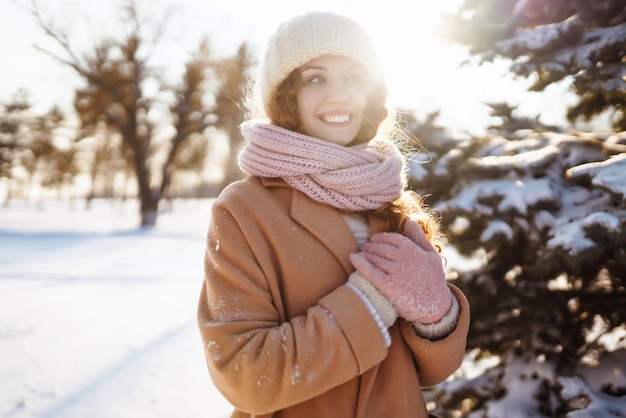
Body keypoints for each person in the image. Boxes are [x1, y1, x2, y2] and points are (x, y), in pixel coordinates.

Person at [197, 10, 470, 418]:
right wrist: (370, 302)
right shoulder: (243, 210)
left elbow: (432, 373)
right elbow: (243, 376)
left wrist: (437, 316)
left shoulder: (388, 196)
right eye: (316, 79)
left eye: (354, 77)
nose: (339, 95)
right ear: (287, 96)